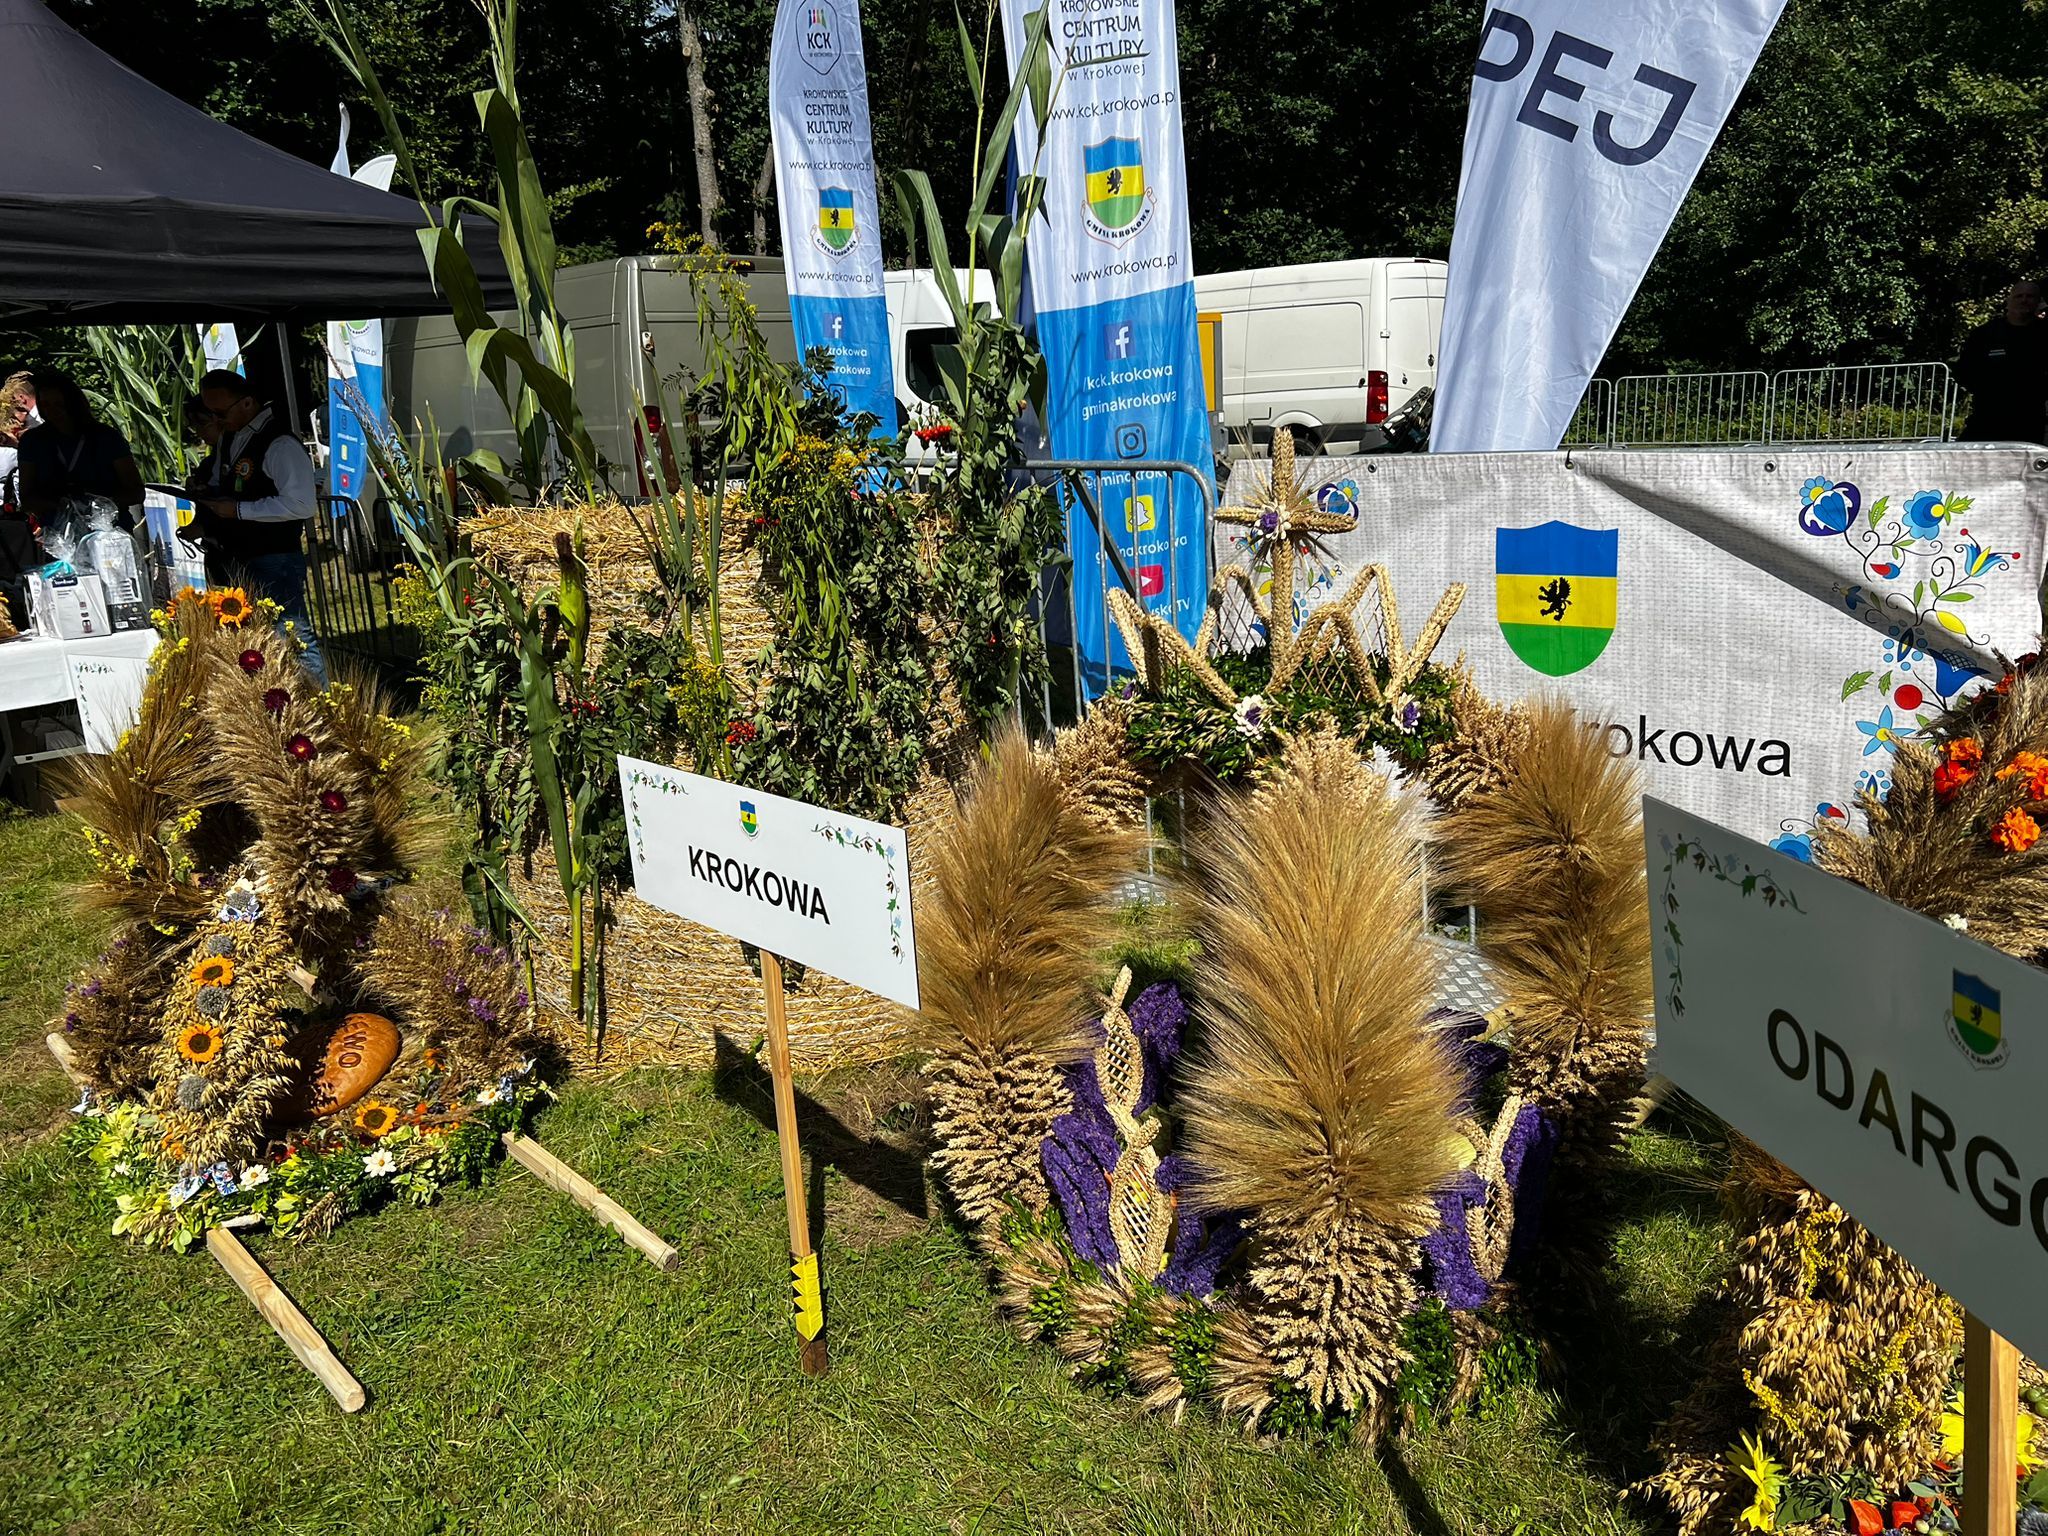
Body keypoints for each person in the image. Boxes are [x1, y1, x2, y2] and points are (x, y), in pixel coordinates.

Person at [184, 369, 327, 683]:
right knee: (257, 639)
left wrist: (238, 510)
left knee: (293, 637)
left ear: (247, 403)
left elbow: (301, 504)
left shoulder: (280, 444)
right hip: (239, 556)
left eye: (221, 413)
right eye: (211, 414)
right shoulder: (232, 438)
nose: (216, 421)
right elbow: (229, 482)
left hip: (274, 556)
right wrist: (205, 491)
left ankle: (321, 703)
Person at [16, 367, 144, 526]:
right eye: (45, 405)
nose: (52, 411)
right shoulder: (33, 441)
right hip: (59, 529)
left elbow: (136, 492)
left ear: (73, 404)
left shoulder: (106, 437)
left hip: (109, 526)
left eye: (59, 404)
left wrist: (97, 506)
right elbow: (27, 498)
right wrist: (66, 507)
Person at [1955, 278, 2048, 444]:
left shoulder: (2044, 334)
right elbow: (1964, 371)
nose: (2024, 300)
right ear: (2009, 300)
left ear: (2038, 302)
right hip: (1987, 417)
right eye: (2019, 296)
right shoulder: (1985, 334)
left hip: (2030, 420)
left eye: (2030, 296)